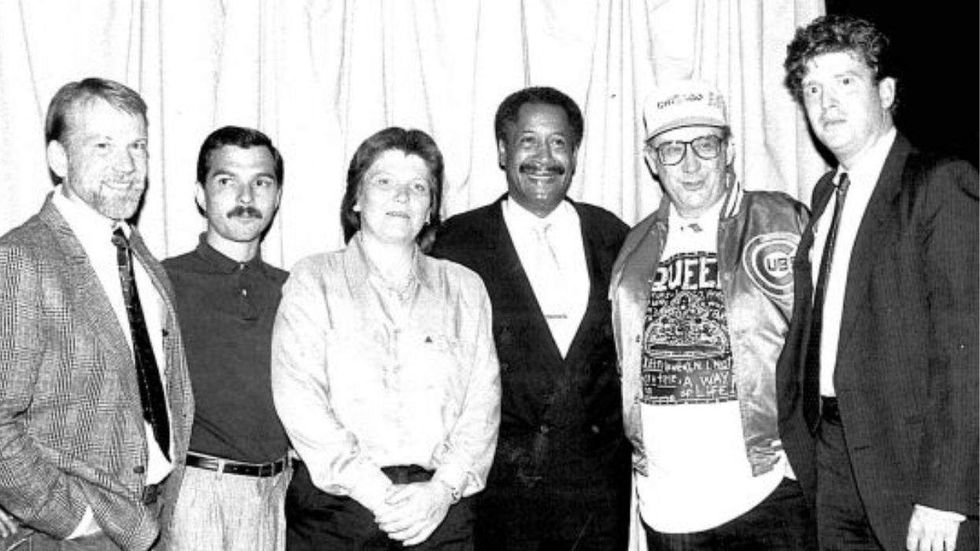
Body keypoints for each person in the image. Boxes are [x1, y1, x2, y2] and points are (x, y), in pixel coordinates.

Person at [777, 14, 979, 551]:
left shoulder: (939, 184)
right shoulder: (826, 194)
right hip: (834, 459)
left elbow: (968, 352)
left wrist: (945, 494)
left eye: (845, 82)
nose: (827, 103)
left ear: (886, 92)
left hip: (912, 469)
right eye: (813, 89)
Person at [271, 127, 501, 550]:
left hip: (439, 513)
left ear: (431, 208)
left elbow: (482, 404)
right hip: (337, 512)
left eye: (418, 186)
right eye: (384, 182)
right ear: (356, 199)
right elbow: (300, 399)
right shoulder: (313, 279)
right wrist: (379, 495)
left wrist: (440, 492)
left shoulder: (465, 288)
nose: (402, 197)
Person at [609, 79, 814, 550]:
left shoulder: (785, 220)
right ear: (651, 162)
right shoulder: (632, 250)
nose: (691, 164)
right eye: (671, 150)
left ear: (730, 150)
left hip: (769, 493)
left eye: (705, 144)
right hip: (670, 506)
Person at [431, 86, 632, 550]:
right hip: (496, 497)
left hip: (597, 497)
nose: (544, 157)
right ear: (502, 151)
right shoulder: (455, 245)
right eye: (528, 141)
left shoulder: (615, 236)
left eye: (558, 142)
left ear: (575, 154)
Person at [0, 77, 194, 550]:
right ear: (59, 159)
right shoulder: (22, 258)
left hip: (150, 522)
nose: (127, 166)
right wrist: (74, 519)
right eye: (103, 145)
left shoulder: (134, 251)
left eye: (137, 145)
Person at [163, 126, 291, 550]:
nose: (246, 196)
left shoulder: (295, 290)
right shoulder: (162, 281)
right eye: (226, 181)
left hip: (279, 494)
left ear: (277, 196)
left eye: (261, 182)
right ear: (201, 194)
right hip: (198, 495)